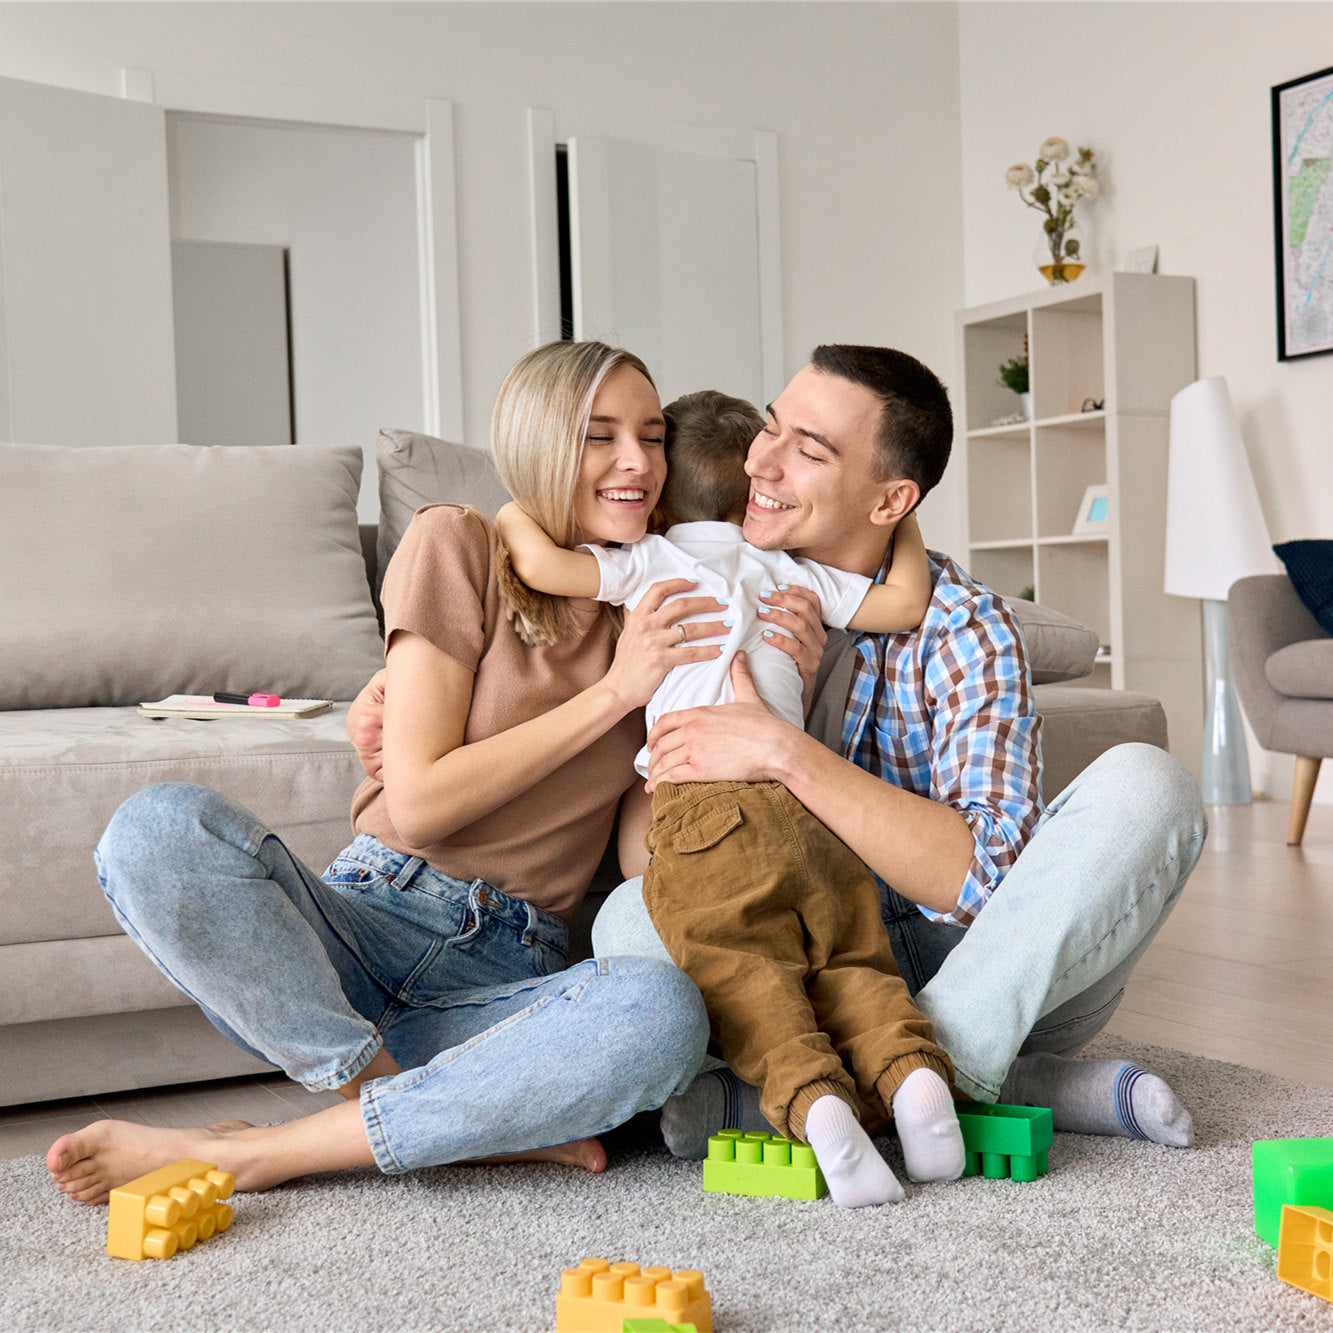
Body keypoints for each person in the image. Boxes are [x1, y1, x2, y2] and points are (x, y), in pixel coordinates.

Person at [45, 340, 723, 1207]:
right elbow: (421, 800)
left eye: (653, 436)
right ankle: (415, 1112)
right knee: (158, 828)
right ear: (540, 445)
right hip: (363, 924)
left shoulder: (663, 609)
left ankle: (277, 1151)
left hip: (505, 973)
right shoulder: (460, 543)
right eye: (600, 436)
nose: (637, 462)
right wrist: (612, 693)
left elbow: (636, 859)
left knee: (658, 1012)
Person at [589, 344, 1207, 1157]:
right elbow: (653, 855)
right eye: (770, 428)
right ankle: (980, 1087)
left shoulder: (964, 627)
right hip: (792, 963)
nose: (760, 462)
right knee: (626, 920)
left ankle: (884, 1075)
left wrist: (785, 749)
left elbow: (982, 879)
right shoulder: (706, 594)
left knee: (1150, 785)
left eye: (808, 450)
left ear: (891, 500)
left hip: (982, 969)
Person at [495, 389, 965, 1208]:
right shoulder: (792, 574)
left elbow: (542, 566)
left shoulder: (651, 563)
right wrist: (905, 518)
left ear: (662, 495)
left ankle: (813, 1100)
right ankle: (912, 1077)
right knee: (848, 957)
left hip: (703, 805)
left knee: (742, 970)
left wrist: (504, 515)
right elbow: (904, 601)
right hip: (807, 799)